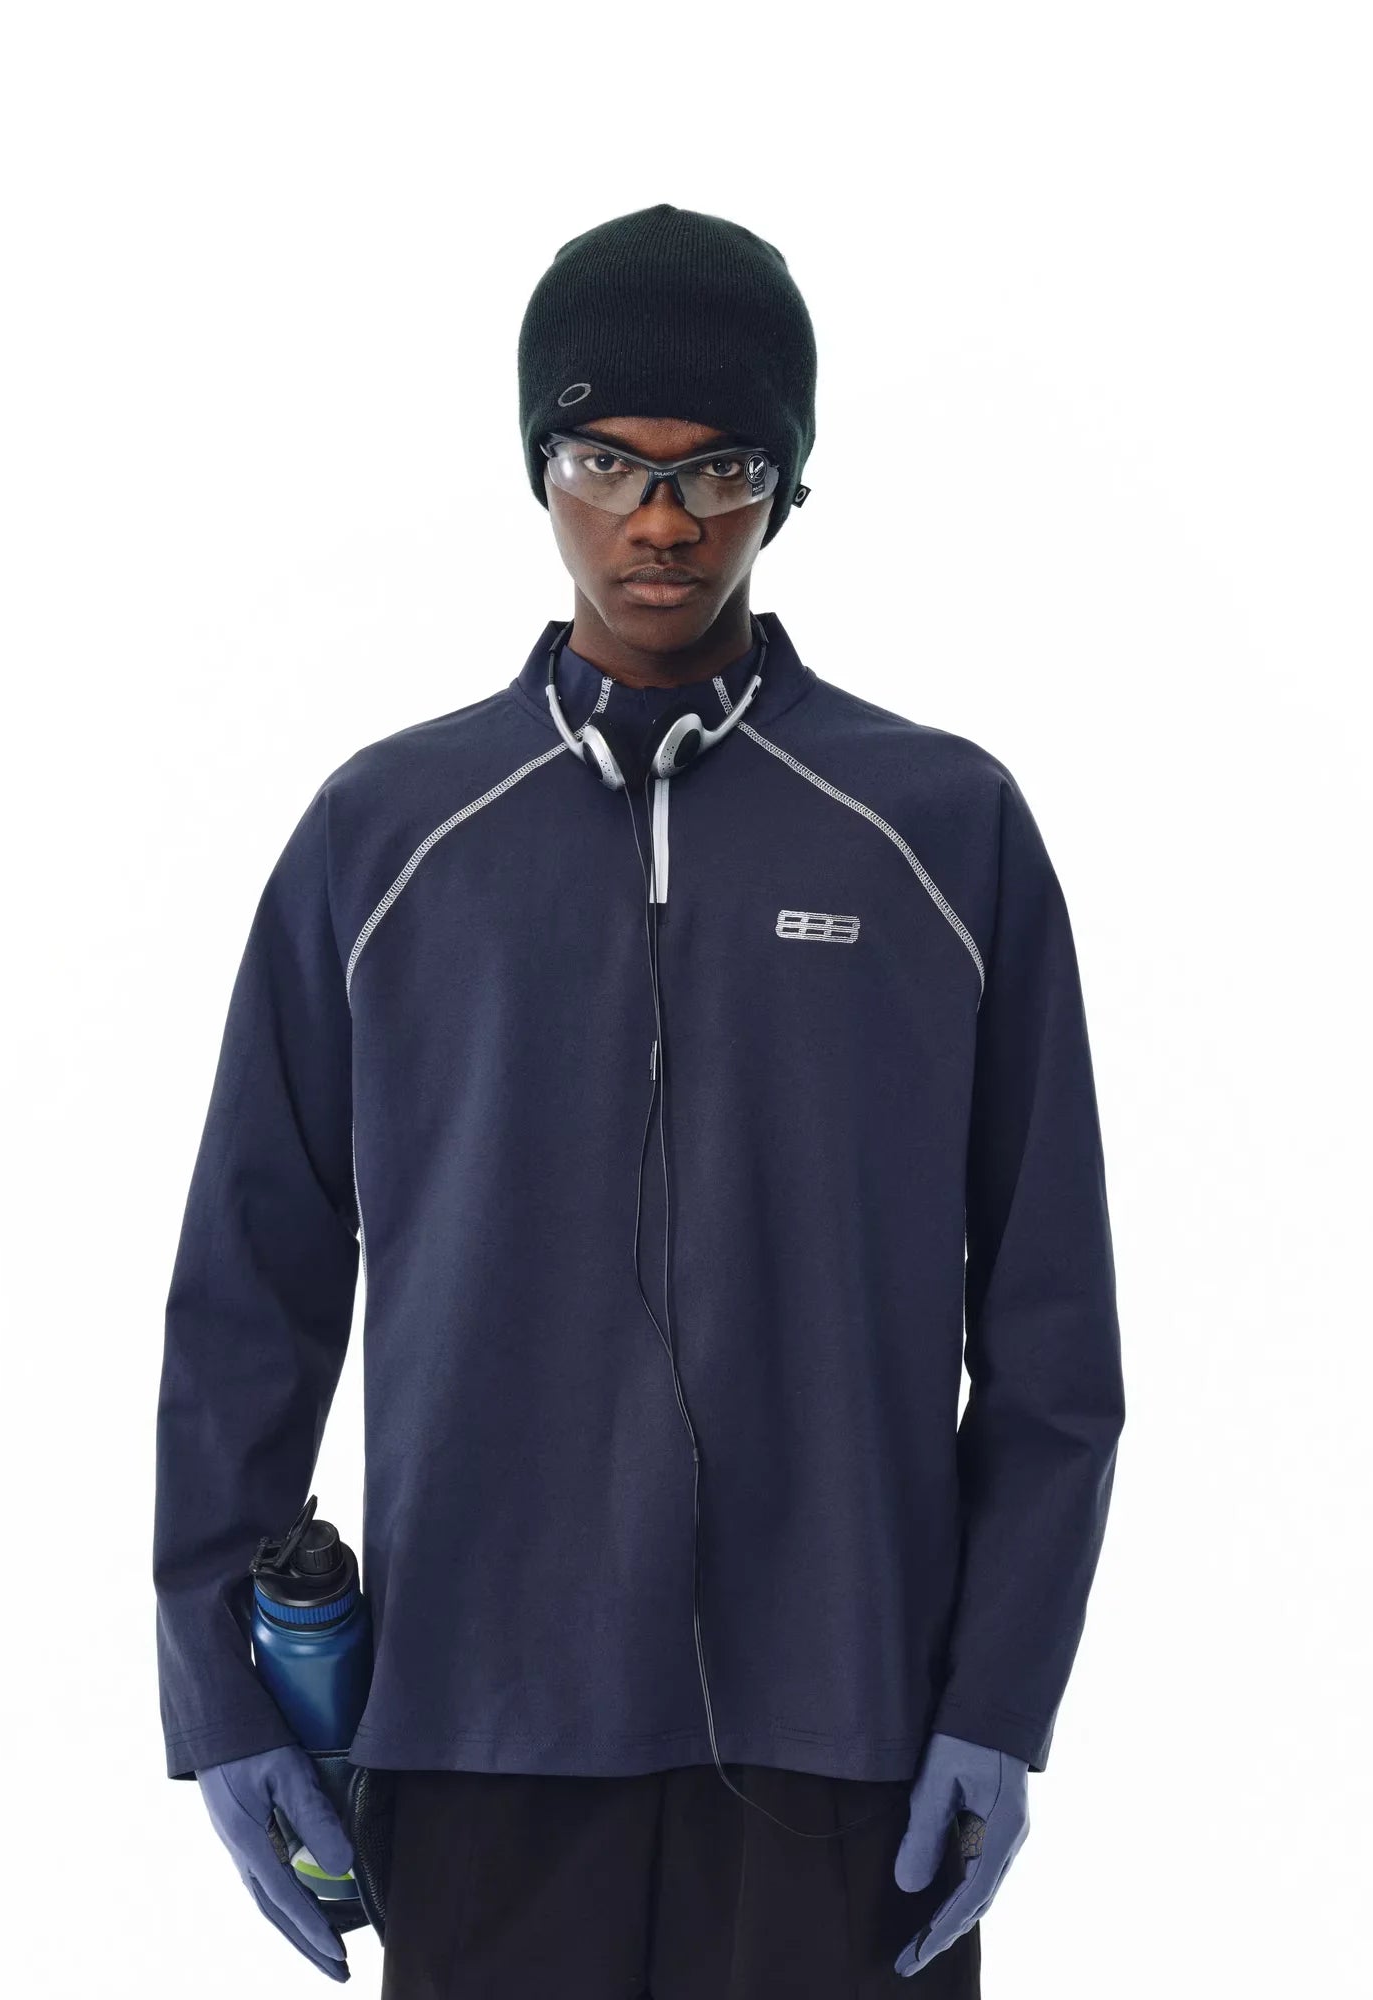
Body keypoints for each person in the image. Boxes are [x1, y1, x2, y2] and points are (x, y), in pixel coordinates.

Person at [154, 203, 1126, 1996]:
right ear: (541, 468)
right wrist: (220, 1690)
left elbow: (1054, 1331)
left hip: (851, 1741)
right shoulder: (386, 836)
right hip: (475, 1733)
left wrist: (1001, 1699)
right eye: (607, 459)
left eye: (719, 467)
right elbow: (248, 1289)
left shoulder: (943, 832)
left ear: (790, 487)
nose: (661, 519)